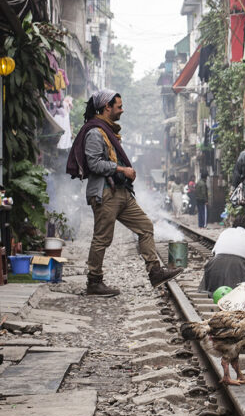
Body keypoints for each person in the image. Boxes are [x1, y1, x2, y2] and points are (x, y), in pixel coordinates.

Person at [66, 89, 184, 297]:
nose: (122, 110)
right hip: (105, 192)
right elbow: (94, 164)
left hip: (120, 191)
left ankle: (155, 272)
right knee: (102, 238)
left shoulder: (108, 131)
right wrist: (122, 169)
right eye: (118, 106)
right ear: (106, 108)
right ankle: (94, 282)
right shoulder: (94, 132)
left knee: (145, 226)